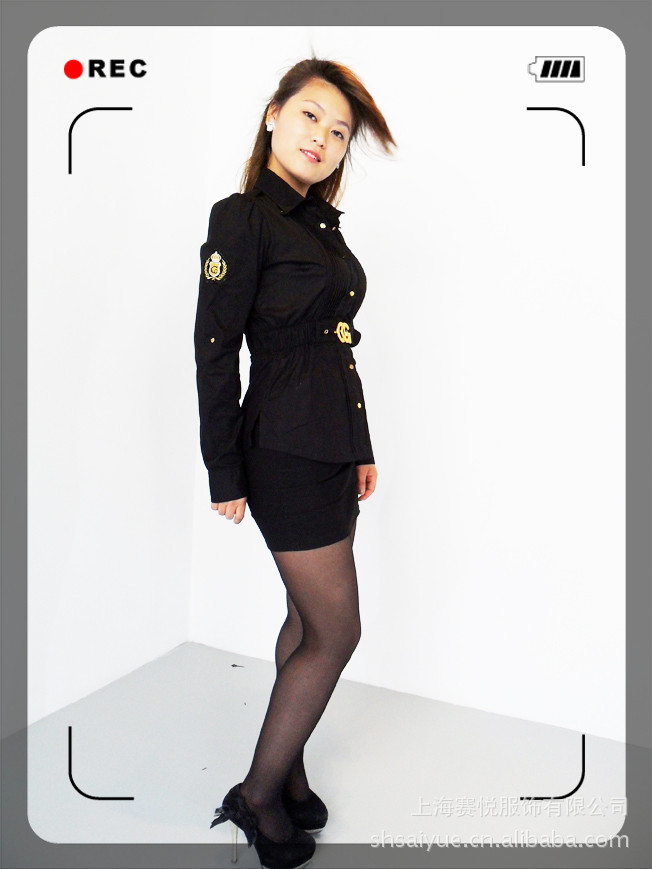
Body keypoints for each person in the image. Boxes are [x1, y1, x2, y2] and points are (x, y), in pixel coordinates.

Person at [196, 57, 396, 869]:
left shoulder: (319, 225)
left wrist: (360, 445)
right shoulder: (243, 217)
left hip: (329, 446)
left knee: (307, 619)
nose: (324, 137)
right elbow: (215, 349)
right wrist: (223, 471)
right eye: (312, 116)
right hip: (281, 448)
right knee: (338, 630)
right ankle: (255, 794)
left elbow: (335, 346)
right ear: (275, 114)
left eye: (340, 131)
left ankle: (289, 774)